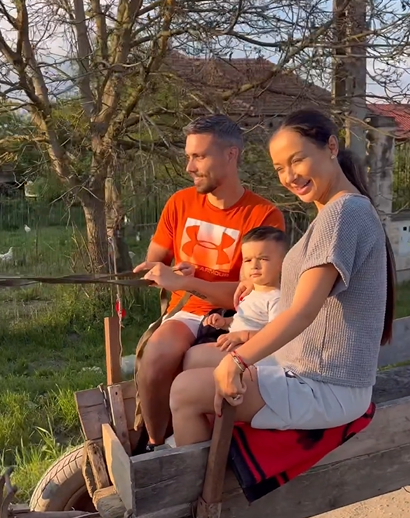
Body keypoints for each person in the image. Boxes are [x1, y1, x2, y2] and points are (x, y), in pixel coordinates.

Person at [169, 108, 396, 447]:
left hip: (327, 384)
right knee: (197, 359)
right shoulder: (335, 211)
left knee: (184, 391)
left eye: (297, 160)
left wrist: (238, 360)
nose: (289, 176)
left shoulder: (343, 214)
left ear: (331, 147)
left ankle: (207, 480)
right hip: (306, 364)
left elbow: (303, 311)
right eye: (279, 168)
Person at [133, 114, 285, 448]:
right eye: (188, 156)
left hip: (243, 317)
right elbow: (155, 260)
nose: (189, 167)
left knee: (195, 365)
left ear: (231, 155)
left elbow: (250, 293)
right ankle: (155, 445)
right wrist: (163, 272)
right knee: (155, 356)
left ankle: (203, 436)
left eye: (199, 156)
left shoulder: (263, 216)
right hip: (187, 313)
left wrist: (185, 284)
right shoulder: (180, 203)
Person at [183, 225, 288, 370]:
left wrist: (242, 336)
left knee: (194, 357)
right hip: (241, 346)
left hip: (259, 356)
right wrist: (225, 322)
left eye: (263, 259)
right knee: (194, 355)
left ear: (283, 264)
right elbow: (245, 321)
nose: (254, 265)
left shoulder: (276, 298)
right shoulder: (252, 293)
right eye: (248, 260)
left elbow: (276, 335)